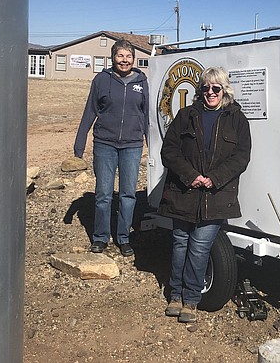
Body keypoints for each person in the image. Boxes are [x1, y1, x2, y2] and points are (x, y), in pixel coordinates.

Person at [159, 67, 251, 323]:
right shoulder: (186, 115)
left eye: (216, 88)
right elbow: (169, 151)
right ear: (200, 90)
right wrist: (191, 175)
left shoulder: (237, 119)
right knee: (180, 244)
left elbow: (241, 156)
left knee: (199, 248)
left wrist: (215, 178)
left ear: (225, 91)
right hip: (184, 192)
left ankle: (191, 299)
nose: (210, 92)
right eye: (206, 88)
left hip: (217, 195)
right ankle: (175, 295)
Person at [73, 40, 149, 257]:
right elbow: (90, 111)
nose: (124, 60)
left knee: (128, 195)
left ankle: (124, 238)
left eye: (128, 56)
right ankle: (100, 237)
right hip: (105, 144)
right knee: (104, 194)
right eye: (120, 56)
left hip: (132, 146)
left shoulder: (142, 82)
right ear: (113, 58)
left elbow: (146, 116)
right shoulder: (101, 80)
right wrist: (79, 144)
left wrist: (152, 144)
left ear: (133, 59)